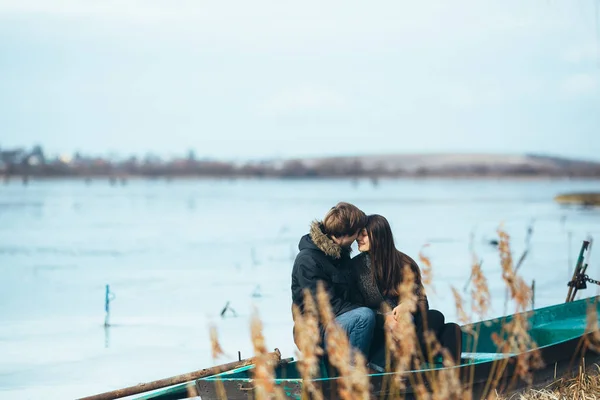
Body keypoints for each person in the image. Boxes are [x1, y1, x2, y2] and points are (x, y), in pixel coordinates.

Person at [350, 214, 462, 369]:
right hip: (379, 332)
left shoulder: (405, 263)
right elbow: (355, 308)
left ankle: (421, 361)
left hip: (408, 328)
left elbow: (422, 301)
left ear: (378, 236)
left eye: (363, 235)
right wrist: (385, 319)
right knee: (447, 329)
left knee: (438, 318)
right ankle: (402, 360)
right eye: (358, 235)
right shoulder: (355, 267)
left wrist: (408, 305)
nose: (358, 239)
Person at [291, 202, 376, 357]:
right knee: (364, 317)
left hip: (339, 321)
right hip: (315, 331)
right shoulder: (307, 260)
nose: (358, 238)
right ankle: (352, 375)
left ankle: (376, 368)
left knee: (375, 319)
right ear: (345, 234)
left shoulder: (340, 255)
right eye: (358, 233)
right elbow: (326, 306)